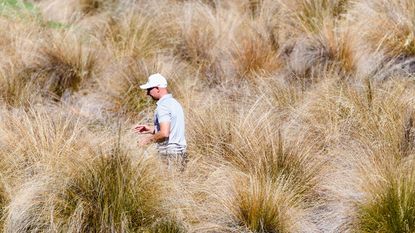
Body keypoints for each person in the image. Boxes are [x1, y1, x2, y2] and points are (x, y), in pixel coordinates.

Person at [134, 73, 187, 168]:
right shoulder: (174, 103)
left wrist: (147, 140)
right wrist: (150, 129)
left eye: (149, 89)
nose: (147, 93)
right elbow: (171, 129)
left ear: (157, 88)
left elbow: (164, 133)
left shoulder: (163, 106)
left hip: (169, 154)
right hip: (180, 153)